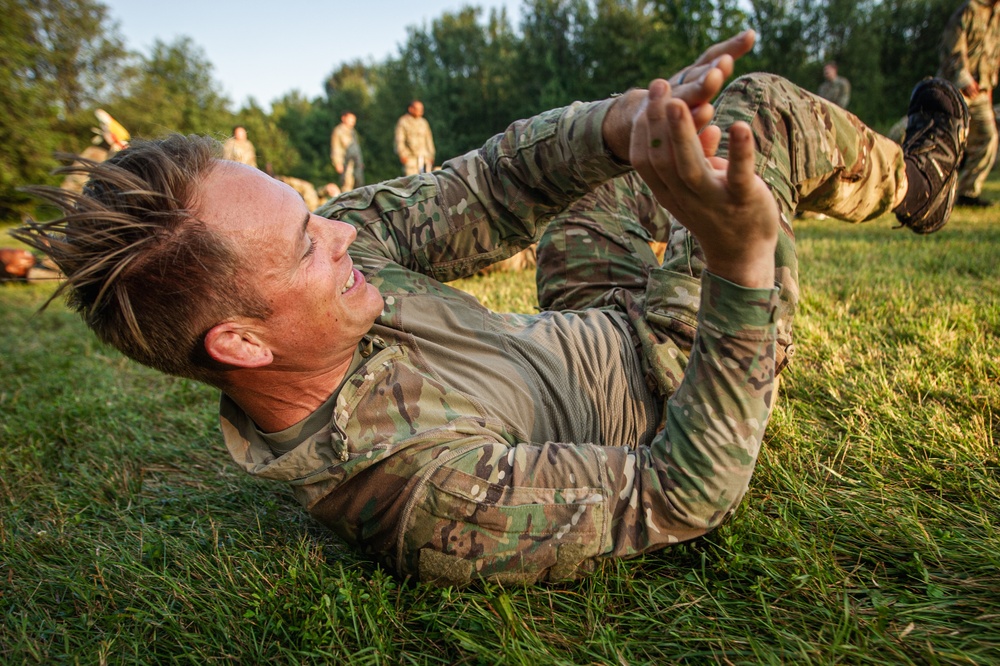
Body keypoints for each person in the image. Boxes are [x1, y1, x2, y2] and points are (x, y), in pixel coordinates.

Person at [14, 31, 969, 585]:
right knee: (758, 121)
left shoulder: (320, 276)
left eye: (314, 216)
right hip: (672, 378)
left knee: (656, 150)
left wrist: (619, 128)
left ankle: (850, 174)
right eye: (309, 242)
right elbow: (683, 494)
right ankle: (921, 185)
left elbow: (489, 188)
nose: (340, 233)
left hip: (592, 325)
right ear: (241, 341)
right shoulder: (422, 497)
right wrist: (740, 259)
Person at [939, 0, 1000, 207]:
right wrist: (963, 78)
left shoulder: (997, 16)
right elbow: (952, 47)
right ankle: (933, 190)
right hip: (957, 88)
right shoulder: (969, 10)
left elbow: (993, 56)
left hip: (981, 91)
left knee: (988, 137)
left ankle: (967, 192)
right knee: (947, 140)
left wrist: (989, 88)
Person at [394, 100, 435, 175]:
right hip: (411, 158)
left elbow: (429, 140)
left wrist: (431, 155)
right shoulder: (403, 121)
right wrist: (403, 155)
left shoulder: (424, 122)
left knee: (427, 182)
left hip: (424, 158)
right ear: (411, 109)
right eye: (418, 109)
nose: (420, 111)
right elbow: (399, 140)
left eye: (421, 109)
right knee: (412, 183)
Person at [331, 112, 365, 191]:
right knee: (347, 184)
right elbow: (336, 147)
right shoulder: (338, 131)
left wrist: (360, 162)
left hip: (355, 162)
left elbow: (356, 148)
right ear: (343, 118)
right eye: (350, 119)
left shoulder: (352, 131)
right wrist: (337, 163)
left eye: (354, 120)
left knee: (358, 184)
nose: (352, 121)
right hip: (345, 161)